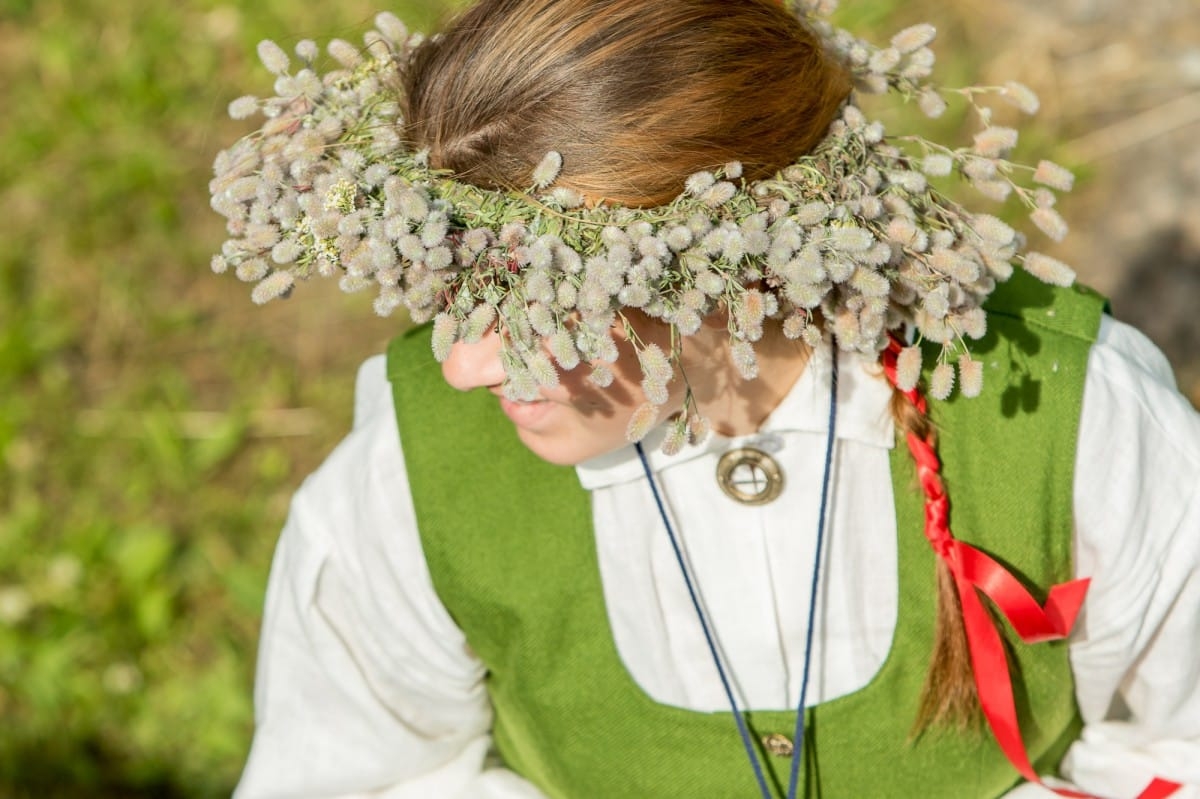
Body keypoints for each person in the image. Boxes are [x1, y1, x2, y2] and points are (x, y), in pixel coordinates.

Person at [209, 0, 1200, 796]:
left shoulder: (1069, 417)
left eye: (534, 301)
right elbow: (356, 772)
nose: (464, 364)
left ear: (736, 255)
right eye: (445, 289)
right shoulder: (412, 474)